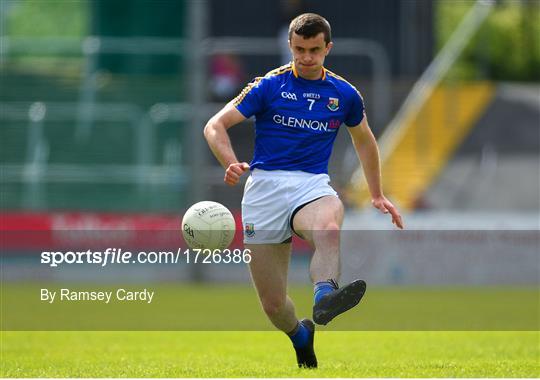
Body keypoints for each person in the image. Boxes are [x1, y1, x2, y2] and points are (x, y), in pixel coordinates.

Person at [204, 13, 403, 369]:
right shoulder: (268, 85)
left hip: (310, 185)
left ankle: (326, 295)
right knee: (273, 305)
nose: (306, 58)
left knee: (328, 228)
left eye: (314, 50)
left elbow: (365, 141)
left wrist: (376, 193)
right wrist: (230, 161)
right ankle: (300, 334)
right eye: (299, 50)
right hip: (264, 189)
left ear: (328, 48)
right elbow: (215, 125)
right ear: (290, 46)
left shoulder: (344, 94)